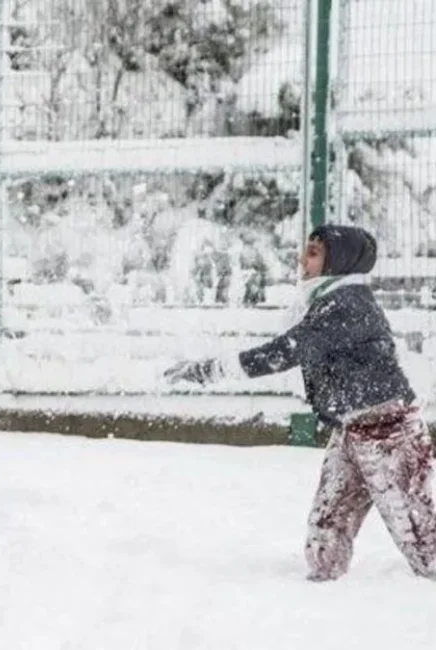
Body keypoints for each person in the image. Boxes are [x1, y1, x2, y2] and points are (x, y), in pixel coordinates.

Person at [164, 224, 436, 581]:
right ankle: (319, 593)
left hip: (388, 431)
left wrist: (210, 370)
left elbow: (284, 352)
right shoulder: (328, 300)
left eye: (313, 253)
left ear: (335, 262)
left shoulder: (348, 305)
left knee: (419, 534)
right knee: (328, 521)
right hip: (352, 427)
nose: (302, 260)